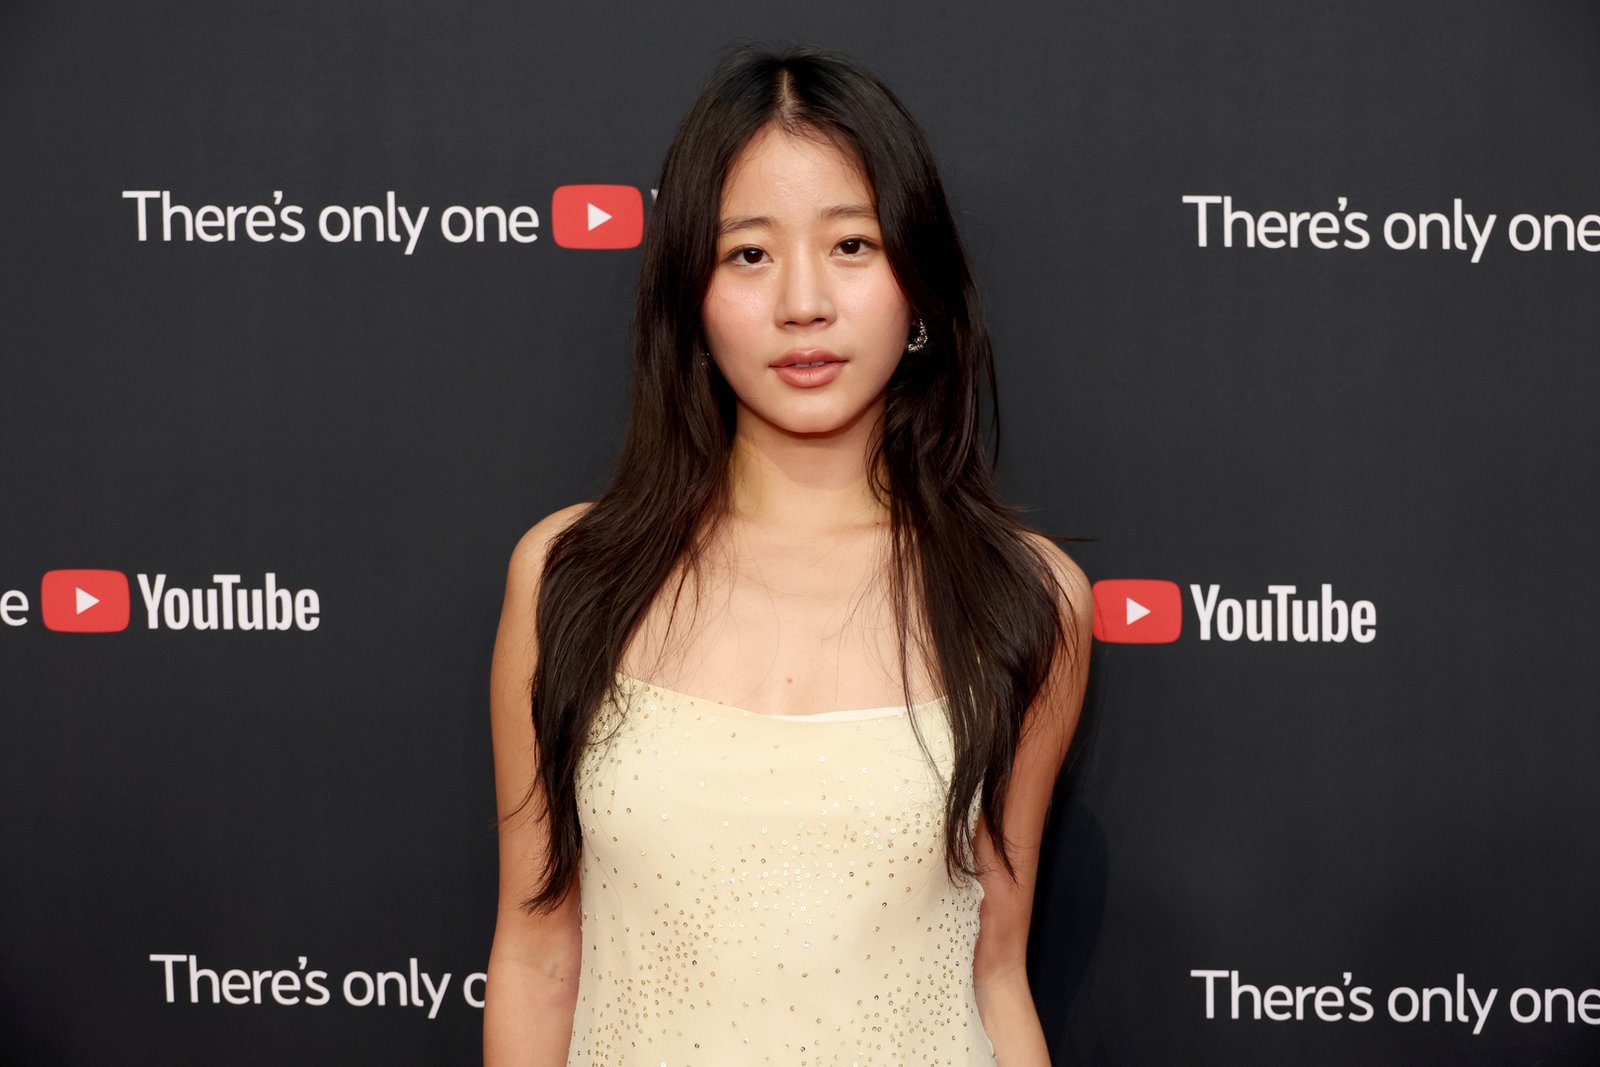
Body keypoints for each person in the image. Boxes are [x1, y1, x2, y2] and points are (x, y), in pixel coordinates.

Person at [484, 43, 1092, 1067]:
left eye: (852, 244)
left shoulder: (1023, 598)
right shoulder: (568, 576)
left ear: (917, 283)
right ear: (691, 292)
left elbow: (993, 969)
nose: (803, 301)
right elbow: (539, 953)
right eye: (748, 254)